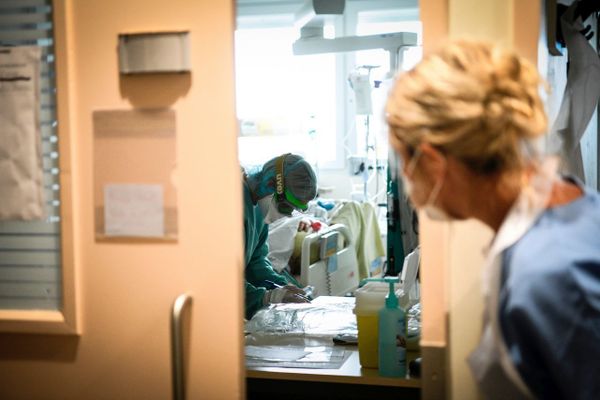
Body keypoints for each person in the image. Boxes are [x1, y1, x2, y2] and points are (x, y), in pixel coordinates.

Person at [386, 40, 600, 399]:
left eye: (405, 165)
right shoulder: (572, 206)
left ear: (434, 163)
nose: (409, 186)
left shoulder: (550, 276)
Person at [243, 153, 318, 319]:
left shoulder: (258, 211)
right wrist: (267, 297)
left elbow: (256, 263)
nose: (287, 214)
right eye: (285, 207)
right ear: (270, 184)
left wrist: (283, 286)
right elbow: (221, 280)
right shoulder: (234, 204)